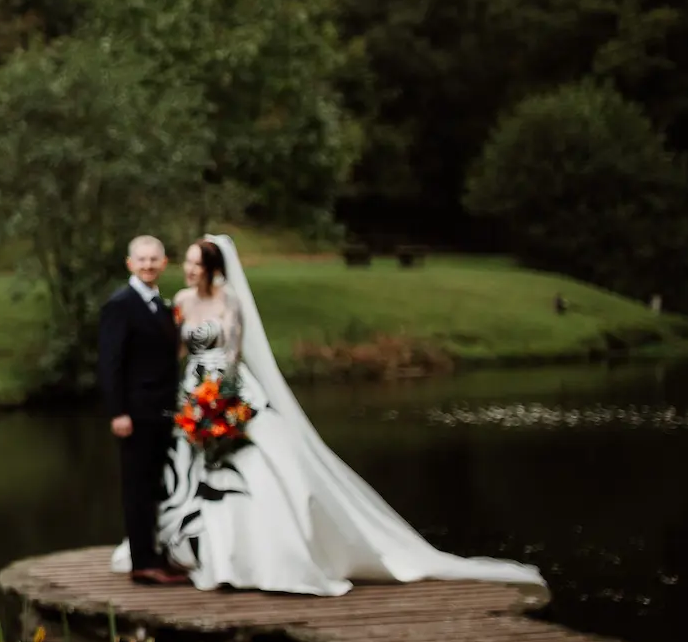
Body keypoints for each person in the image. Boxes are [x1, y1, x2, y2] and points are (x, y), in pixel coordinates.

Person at [108, 234, 543, 595]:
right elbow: (173, 350)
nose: (186, 269)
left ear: (212, 268)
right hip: (188, 394)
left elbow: (236, 353)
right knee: (184, 472)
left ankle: (253, 553)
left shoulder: (231, 302)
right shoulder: (179, 301)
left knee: (252, 464)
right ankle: (183, 549)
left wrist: (222, 395)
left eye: (194, 263)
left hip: (225, 389)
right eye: (184, 261)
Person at [96, 235, 189, 585]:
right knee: (137, 488)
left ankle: (158, 553)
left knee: (156, 486)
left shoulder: (160, 305)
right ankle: (143, 563)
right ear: (129, 263)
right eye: (142, 259)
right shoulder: (121, 304)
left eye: (154, 259)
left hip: (163, 411)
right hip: (135, 413)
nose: (148, 265)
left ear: (164, 264)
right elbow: (111, 363)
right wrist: (118, 412)